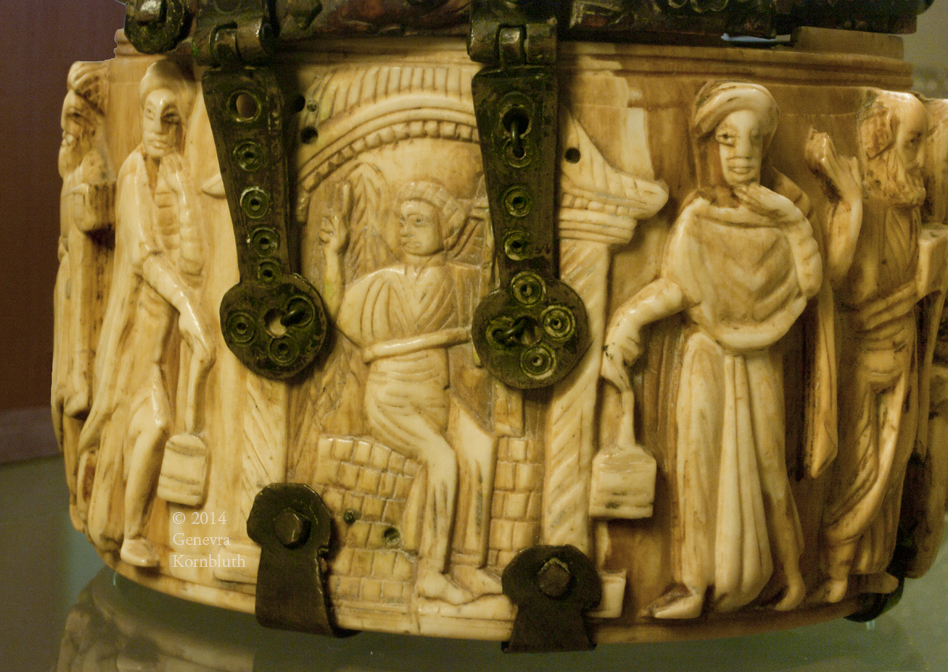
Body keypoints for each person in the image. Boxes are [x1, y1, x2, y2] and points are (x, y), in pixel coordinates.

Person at [601, 82, 821, 618]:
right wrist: (629, 320)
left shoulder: (787, 216)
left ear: (765, 146)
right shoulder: (699, 215)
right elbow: (679, 286)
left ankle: (794, 577)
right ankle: (693, 584)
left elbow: (809, 282)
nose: (740, 153)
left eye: (752, 140)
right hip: (703, 353)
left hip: (760, 354)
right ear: (711, 148)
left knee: (770, 465)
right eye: (727, 139)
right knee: (694, 467)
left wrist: (790, 218)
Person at [77, 59, 214, 568]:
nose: (157, 128)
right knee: (152, 425)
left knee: (147, 427)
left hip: (163, 337)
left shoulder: (174, 169)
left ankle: (122, 524)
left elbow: (191, 251)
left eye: (170, 118)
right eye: (150, 116)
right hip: (136, 335)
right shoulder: (135, 171)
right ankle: (132, 532)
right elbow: (143, 256)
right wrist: (190, 308)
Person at [321, 180, 484, 603]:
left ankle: (467, 564)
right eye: (402, 221)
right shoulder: (381, 283)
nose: (406, 231)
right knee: (442, 458)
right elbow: (334, 311)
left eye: (419, 222)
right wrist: (333, 254)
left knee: (477, 456)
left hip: (437, 396)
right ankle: (431, 573)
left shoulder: (464, 281)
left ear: (446, 231)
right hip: (390, 395)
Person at [814, 91, 933, 602]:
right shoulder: (871, 206)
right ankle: (836, 568)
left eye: (924, 144)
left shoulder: (907, 205)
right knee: (860, 470)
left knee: (891, 465)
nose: (920, 159)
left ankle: (868, 564)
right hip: (866, 356)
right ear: (880, 141)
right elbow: (848, 291)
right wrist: (853, 205)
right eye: (912, 143)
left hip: (902, 353)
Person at [54, 61, 113, 506]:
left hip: (89, 302)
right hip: (68, 295)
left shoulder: (93, 171)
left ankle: (86, 494)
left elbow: (95, 217)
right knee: (61, 401)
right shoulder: (74, 173)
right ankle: (79, 496)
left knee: (78, 398)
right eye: (65, 121)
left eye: (74, 120)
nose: (66, 133)